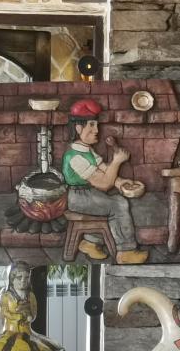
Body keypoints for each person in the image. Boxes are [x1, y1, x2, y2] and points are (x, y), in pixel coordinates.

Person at [62, 99, 149, 264]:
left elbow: (104, 170)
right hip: (78, 198)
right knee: (118, 204)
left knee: (110, 200)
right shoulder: (75, 156)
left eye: (97, 125)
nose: (97, 130)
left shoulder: (87, 151)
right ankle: (126, 252)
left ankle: (90, 243)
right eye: (92, 125)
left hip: (89, 194)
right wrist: (116, 162)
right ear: (78, 128)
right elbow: (103, 183)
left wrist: (121, 183)